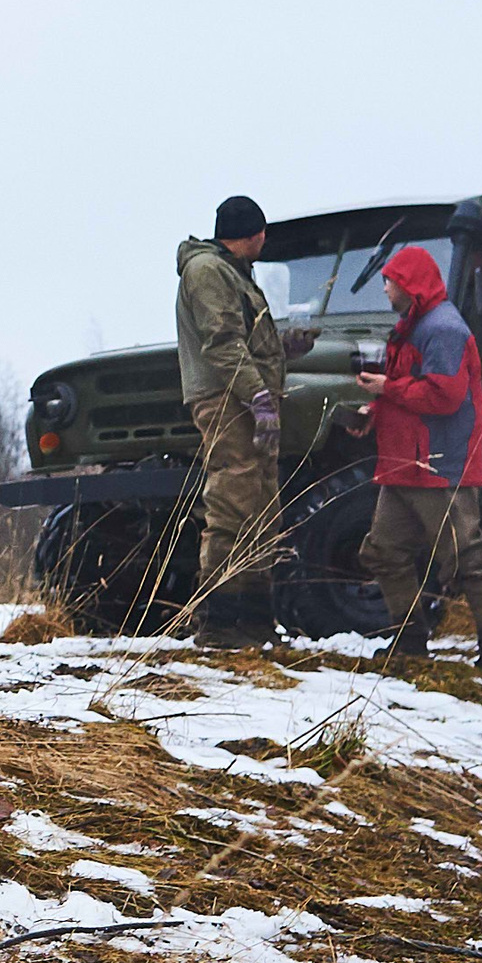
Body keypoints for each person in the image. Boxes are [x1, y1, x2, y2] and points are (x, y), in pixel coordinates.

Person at [351, 246, 482, 681]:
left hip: (438, 466)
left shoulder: (442, 328)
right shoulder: (414, 327)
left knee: (468, 559)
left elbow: (444, 396)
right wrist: (376, 410)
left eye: (389, 280)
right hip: (404, 465)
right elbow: (414, 389)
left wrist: (386, 389)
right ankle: (409, 642)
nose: (385, 288)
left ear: (409, 284)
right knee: (383, 551)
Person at [175, 195, 296, 648]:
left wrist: (284, 349)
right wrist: (259, 397)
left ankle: (254, 622)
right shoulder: (207, 270)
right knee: (232, 506)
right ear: (256, 234)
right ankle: (220, 626)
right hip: (228, 401)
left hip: (243, 399)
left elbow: (239, 338)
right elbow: (222, 344)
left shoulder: (229, 271)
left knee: (261, 507)